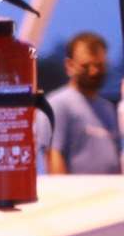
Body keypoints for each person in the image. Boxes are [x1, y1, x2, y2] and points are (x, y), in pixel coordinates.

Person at [45, 32, 121, 176]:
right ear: (70, 65)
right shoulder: (58, 104)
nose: (93, 72)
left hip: (111, 195)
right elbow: (52, 155)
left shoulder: (108, 109)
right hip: (78, 196)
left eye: (99, 65)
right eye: (86, 66)